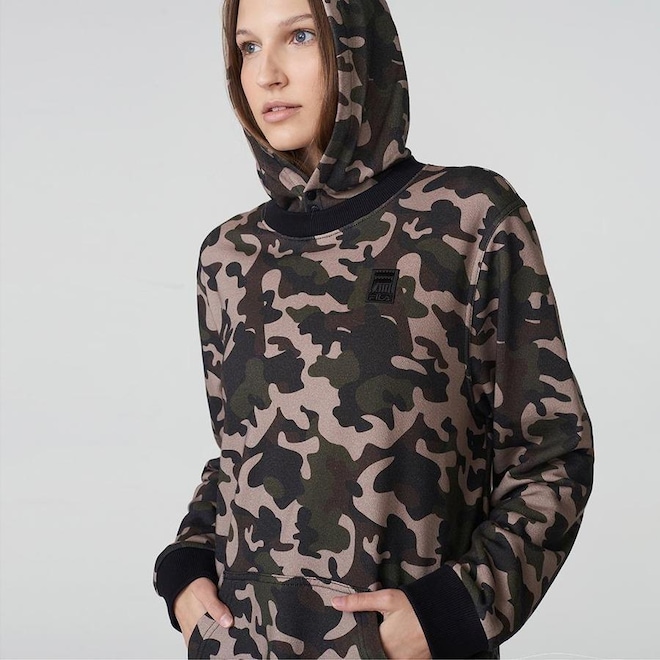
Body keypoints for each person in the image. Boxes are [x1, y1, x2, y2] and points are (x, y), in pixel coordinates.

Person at [152, 0, 595, 657]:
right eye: (248, 47)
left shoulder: (467, 218)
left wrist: (453, 612)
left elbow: (551, 452)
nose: (267, 74)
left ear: (358, 44)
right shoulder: (228, 255)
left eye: (300, 36)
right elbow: (239, 457)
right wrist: (186, 568)